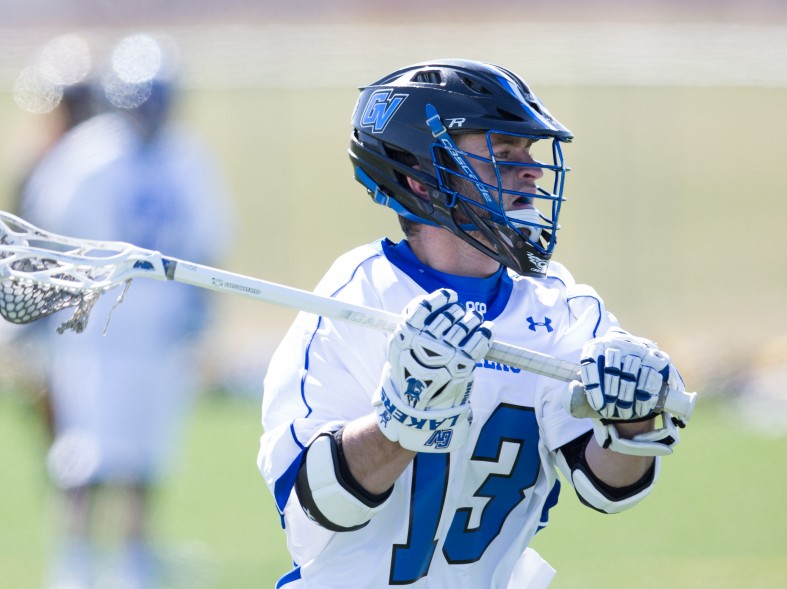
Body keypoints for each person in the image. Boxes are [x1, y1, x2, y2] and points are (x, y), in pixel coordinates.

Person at [257, 59, 688, 588]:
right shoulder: (357, 299)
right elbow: (312, 507)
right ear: (419, 177)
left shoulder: (561, 307)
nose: (531, 171)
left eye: (529, 154)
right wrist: (402, 421)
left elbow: (610, 488)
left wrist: (631, 423)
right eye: (503, 154)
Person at [17, 33, 235, 589]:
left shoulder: (186, 158)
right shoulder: (89, 156)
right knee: (83, 451)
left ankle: (133, 559)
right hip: (95, 326)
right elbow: (46, 240)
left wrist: (198, 313)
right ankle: (75, 560)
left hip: (158, 330)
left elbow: (207, 245)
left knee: (145, 451)